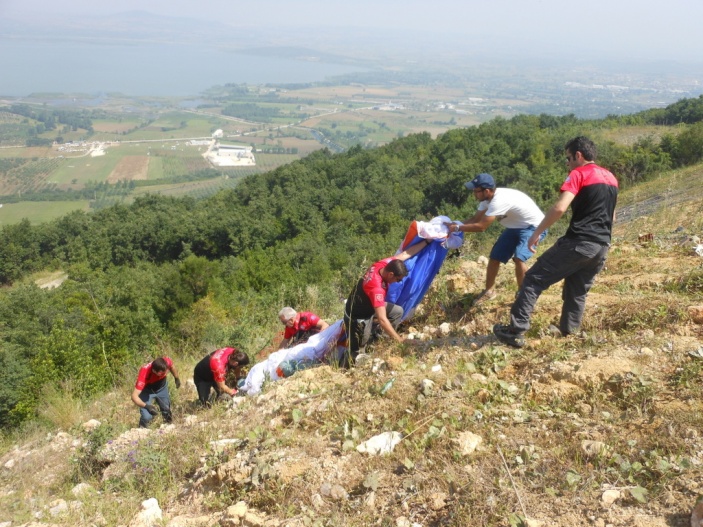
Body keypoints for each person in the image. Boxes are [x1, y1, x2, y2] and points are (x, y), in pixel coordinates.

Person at [493, 136, 618, 348]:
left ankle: (515, 330)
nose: (567, 163)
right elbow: (612, 217)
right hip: (601, 245)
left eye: (568, 158)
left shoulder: (578, 174)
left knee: (532, 279)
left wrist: (536, 233)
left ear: (579, 155)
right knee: (577, 289)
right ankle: (569, 332)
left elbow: (560, 207)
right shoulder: (611, 178)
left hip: (579, 241)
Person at [445, 173, 546, 306]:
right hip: (514, 227)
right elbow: (475, 219)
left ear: (486, 191)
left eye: (476, 191)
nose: (474, 194)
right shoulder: (486, 200)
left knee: (519, 258)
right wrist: (454, 224)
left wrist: (457, 228)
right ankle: (489, 291)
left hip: (534, 227)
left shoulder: (499, 201)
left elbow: (481, 226)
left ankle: (525, 295)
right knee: (495, 257)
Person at [342, 238, 431, 367]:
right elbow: (382, 319)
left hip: (368, 303)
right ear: (390, 274)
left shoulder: (382, 265)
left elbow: (405, 254)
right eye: (398, 279)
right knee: (358, 349)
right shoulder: (377, 288)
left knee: (397, 311)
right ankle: (347, 367)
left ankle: (381, 341)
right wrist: (400, 340)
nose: (399, 282)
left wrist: (426, 242)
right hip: (358, 317)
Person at [131, 357, 181, 428]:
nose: (165, 373)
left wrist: (176, 378)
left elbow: (172, 366)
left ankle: (168, 427)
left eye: (165, 371)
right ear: (154, 371)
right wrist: (147, 406)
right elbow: (134, 396)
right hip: (146, 391)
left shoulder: (166, 362)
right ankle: (142, 430)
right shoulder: (144, 373)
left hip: (161, 387)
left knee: (166, 409)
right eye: (162, 373)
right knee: (147, 416)